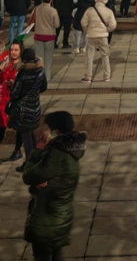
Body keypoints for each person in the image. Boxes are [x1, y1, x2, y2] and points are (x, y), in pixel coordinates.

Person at [22, 110, 86, 261]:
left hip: (47, 221)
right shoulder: (70, 152)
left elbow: (28, 176)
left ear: (56, 132)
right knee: (57, 255)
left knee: (42, 256)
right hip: (61, 217)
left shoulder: (56, 156)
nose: (43, 131)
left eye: (46, 128)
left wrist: (37, 150)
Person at [9, 48, 48, 163]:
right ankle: (35, 160)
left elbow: (14, 94)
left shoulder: (23, 74)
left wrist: (12, 85)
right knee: (31, 135)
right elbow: (43, 87)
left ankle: (29, 164)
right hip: (35, 108)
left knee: (27, 140)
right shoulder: (40, 70)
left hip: (23, 111)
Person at [82, 0, 117, 83]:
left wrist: (87, 30)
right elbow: (113, 25)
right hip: (103, 36)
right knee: (105, 56)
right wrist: (107, 30)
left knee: (89, 57)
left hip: (91, 36)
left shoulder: (89, 10)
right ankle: (106, 76)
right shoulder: (108, 11)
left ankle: (88, 76)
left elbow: (83, 23)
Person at [31, 0, 59, 74]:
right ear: (50, 1)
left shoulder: (37, 9)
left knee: (39, 57)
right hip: (49, 35)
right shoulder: (53, 10)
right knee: (48, 57)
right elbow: (57, 24)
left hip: (38, 35)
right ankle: (47, 76)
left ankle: (39, 74)